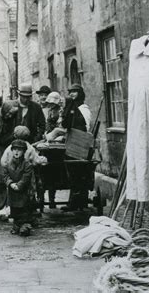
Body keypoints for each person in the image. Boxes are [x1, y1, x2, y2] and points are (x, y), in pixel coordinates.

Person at [61, 84, 93, 212]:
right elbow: (66, 123)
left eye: (75, 92)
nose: (72, 94)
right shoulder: (71, 107)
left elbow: (85, 127)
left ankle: (80, 201)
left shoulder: (83, 109)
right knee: (73, 174)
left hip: (81, 144)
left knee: (79, 173)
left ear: (80, 93)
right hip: (72, 143)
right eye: (71, 92)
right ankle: (74, 202)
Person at [3, 139, 34, 237]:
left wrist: (19, 185)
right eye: (14, 149)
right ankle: (17, 224)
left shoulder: (27, 165)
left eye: (19, 150)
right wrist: (10, 183)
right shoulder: (8, 164)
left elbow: (26, 177)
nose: (16, 152)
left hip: (23, 191)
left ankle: (25, 225)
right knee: (15, 210)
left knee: (24, 209)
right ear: (11, 151)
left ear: (24, 151)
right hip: (13, 191)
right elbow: (5, 175)